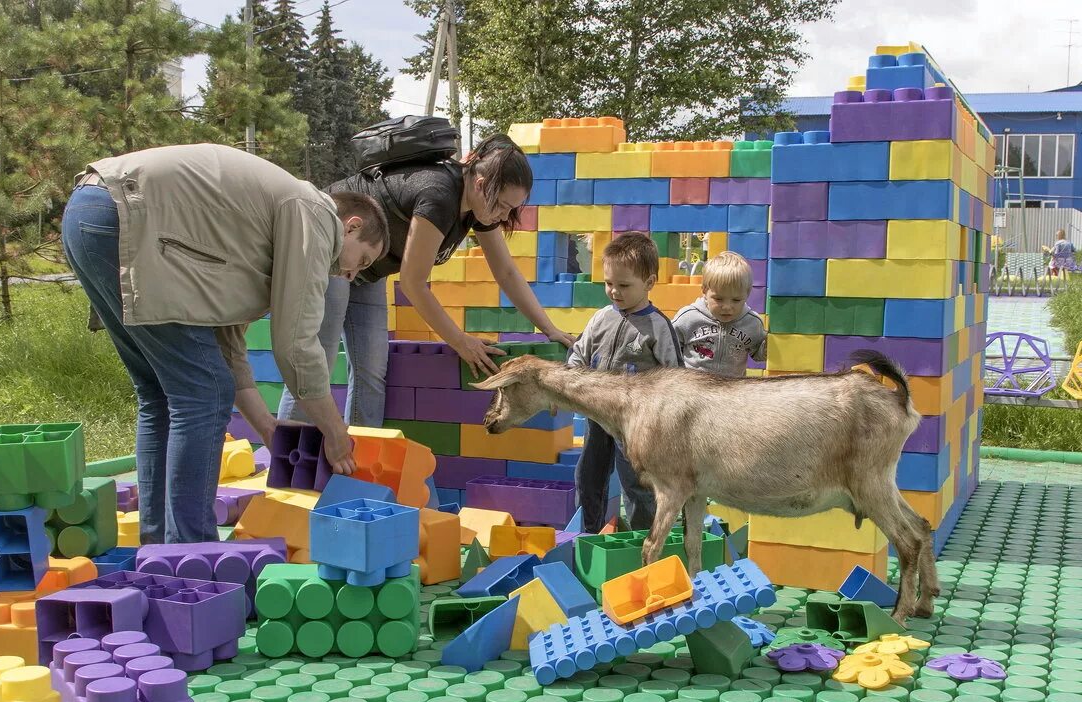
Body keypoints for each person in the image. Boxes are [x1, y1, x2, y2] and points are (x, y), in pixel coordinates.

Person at [61, 143, 387, 545]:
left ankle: (160, 547)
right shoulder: (315, 213)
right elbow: (296, 346)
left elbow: (229, 350)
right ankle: (192, 552)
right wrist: (335, 432)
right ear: (351, 226)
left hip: (88, 211)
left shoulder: (253, 231)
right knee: (203, 392)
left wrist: (267, 427)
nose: (353, 275)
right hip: (127, 216)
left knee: (162, 392)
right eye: (364, 262)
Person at [277, 134, 575, 427]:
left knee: (372, 369)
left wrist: (550, 329)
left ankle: (360, 457)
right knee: (318, 362)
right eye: (502, 205)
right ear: (481, 184)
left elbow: (506, 272)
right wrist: (460, 342)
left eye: (511, 209)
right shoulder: (439, 194)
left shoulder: (478, 209)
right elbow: (413, 283)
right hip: (335, 251)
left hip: (369, 271)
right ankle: (288, 463)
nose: (504, 214)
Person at [567, 232, 683, 534]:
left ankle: (644, 538)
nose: (614, 292)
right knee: (588, 476)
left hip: (636, 425)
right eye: (609, 284)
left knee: (637, 484)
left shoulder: (658, 326)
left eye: (624, 285)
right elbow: (579, 354)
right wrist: (568, 385)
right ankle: (586, 534)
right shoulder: (601, 318)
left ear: (649, 283)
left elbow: (676, 377)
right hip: (597, 416)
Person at [672, 251, 768, 378]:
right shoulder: (689, 318)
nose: (727, 307)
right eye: (718, 299)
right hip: (694, 388)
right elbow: (669, 346)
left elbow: (758, 354)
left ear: (747, 294)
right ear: (705, 291)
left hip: (732, 390)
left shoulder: (751, 322)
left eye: (736, 300)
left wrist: (767, 348)